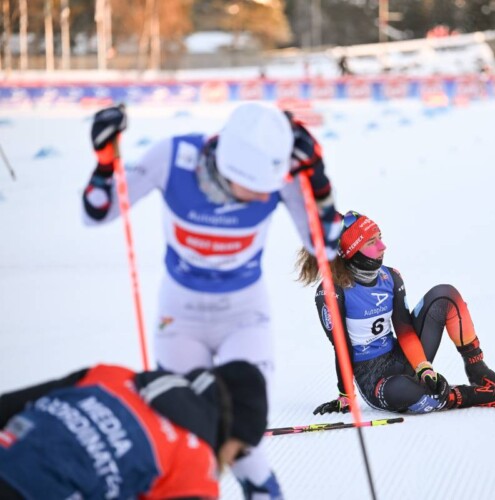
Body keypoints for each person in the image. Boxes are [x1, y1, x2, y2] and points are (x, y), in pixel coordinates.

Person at [81, 102, 342, 498]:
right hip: (180, 315)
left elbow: (326, 246)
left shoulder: (281, 172)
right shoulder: (172, 158)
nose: (262, 195)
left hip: (244, 313)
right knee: (189, 431)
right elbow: (98, 213)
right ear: (226, 167)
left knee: (245, 429)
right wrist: (105, 162)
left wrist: (317, 183)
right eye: (253, 187)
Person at [296, 210, 495, 415]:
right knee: (405, 391)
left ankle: (478, 370)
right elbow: (341, 348)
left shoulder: (390, 277)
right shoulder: (332, 293)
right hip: (374, 379)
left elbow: (405, 330)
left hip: (402, 356)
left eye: (379, 237)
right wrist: (346, 395)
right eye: (371, 242)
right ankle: (461, 396)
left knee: (444, 295)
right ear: (352, 251)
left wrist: (423, 367)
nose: (383, 246)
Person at [0, 360, 267, 499]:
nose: (232, 463)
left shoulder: (112, 375)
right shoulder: (193, 465)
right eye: (240, 452)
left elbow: (8, 406)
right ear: (231, 428)